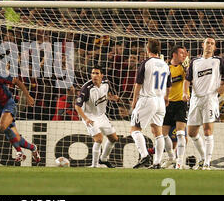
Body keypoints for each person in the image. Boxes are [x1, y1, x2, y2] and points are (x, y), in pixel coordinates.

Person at [183, 37, 224, 170]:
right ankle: (203, 158)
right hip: (195, 99)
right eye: (208, 43)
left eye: (212, 44)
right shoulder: (195, 61)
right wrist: (185, 92)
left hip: (210, 99)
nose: (209, 45)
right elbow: (187, 80)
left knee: (207, 130)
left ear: (215, 48)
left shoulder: (218, 61)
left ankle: (207, 163)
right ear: (203, 45)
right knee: (191, 132)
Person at [130, 39, 171, 169]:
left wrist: (134, 99)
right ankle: (157, 162)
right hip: (160, 101)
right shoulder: (165, 64)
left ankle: (144, 156)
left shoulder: (146, 63)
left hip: (147, 98)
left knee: (135, 129)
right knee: (157, 131)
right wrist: (166, 97)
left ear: (147, 49)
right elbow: (169, 84)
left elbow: (138, 83)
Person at [75, 65, 120, 168]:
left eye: (97, 73)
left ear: (101, 75)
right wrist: (86, 118)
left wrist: (112, 98)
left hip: (101, 115)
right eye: (93, 73)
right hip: (90, 116)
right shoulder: (86, 88)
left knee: (114, 138)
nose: (94, 76)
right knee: (99, 139)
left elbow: (106, 94)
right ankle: (94, 165)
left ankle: (103, 159)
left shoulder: (106, 83)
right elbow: (77, 106)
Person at [162, 45, 189, 169]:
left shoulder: (185, 68)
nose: (184, 55)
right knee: (163, 134)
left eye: (185, 53)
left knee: (180, 134)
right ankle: (171, 157)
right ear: (174, 55)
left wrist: (188, 68)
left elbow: (190, 79)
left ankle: (179, 162)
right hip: (167, 103)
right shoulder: (165, 68)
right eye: (181, 53)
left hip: (180, 103)